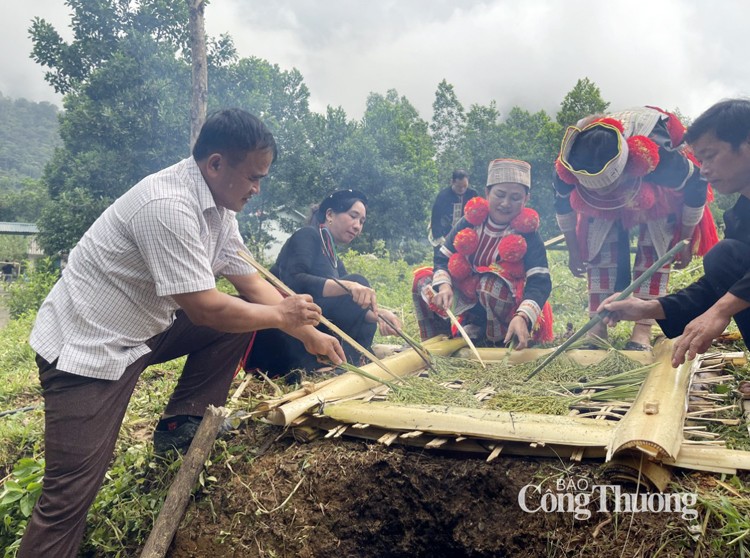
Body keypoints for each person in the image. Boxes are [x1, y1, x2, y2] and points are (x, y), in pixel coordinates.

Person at [19, 109, 345, 557]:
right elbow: (205, 308)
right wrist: (282, 317)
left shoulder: (220, 209)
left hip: (144, 330)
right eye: (252, 177)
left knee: (244, 313)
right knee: (71, 491)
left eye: (261, 178)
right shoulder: (167, 206)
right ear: (215, 164)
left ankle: (182, 423)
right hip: (88, 352)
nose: (257, 189)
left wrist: (308, 334)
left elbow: (249, 282)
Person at [599, 98, 750, 367]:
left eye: (711, 156)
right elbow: (720, 286)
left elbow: (727, 299)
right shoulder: (740, 215)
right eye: (700, 160)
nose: (703, 170)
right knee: (725, 258)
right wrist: (649, 308)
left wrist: (720, 311)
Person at [553, 106, 718, 350]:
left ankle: (642, 329)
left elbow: (697, 187)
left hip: (655, 191)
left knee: (656, 244)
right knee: (598, 242)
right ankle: (596, 327)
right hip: (619, 187)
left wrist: (683, 241)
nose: (603, 195)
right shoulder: (570, 164)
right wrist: (574, 249)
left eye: (607, 189)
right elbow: (563, 207)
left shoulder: (662, 163)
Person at [244, 189, 402, 377]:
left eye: (362, 222)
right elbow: (293, 281)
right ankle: (319, 368)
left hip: (311, 332)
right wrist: (350, 286)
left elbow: (349, 308)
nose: (358, 226)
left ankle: (347, 363)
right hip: (283, 336)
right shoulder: (307, 235)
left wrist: (380, 315)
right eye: (353, 216)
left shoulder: (333, 258)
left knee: (360, 289)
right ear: (329, 215)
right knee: (356, 282)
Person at [413, 159, 553, 349]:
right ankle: (438, 341)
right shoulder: (470, 220)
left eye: (515, 198)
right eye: (500, 194)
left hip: (506, 306)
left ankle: (497, 341)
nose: (505, 203)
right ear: (487, 193)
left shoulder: (528, 234)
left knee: (489, 284)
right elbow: (442, 258)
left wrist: (522, 316)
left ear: (526, 199)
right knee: (423, 282)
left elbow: (540, 282)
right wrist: (445, 286)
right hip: (469, 295)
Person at [429, 169, 478, 247]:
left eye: (465, 186)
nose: (462, 189)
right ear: (452, 182)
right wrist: (439, 237)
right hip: (445, 234)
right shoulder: (443, 196)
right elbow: (435, 218)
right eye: (459, 187)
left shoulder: (472, 194)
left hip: (465, 235)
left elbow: (477, 215)